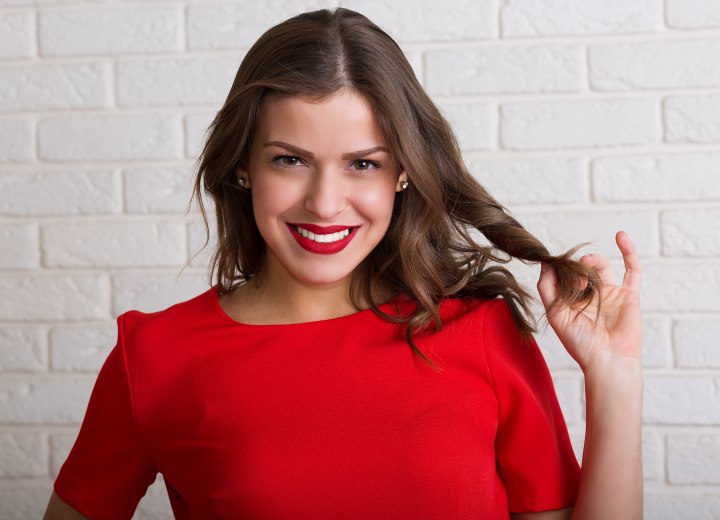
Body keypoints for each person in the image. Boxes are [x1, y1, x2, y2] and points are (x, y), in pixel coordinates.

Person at [44, 8, 643, 520]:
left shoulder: (481, 333)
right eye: (290, 160)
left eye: (363, 164)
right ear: (243, 165)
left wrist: (614, 376)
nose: (325, 204)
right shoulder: (154, 355)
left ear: (403, 172)